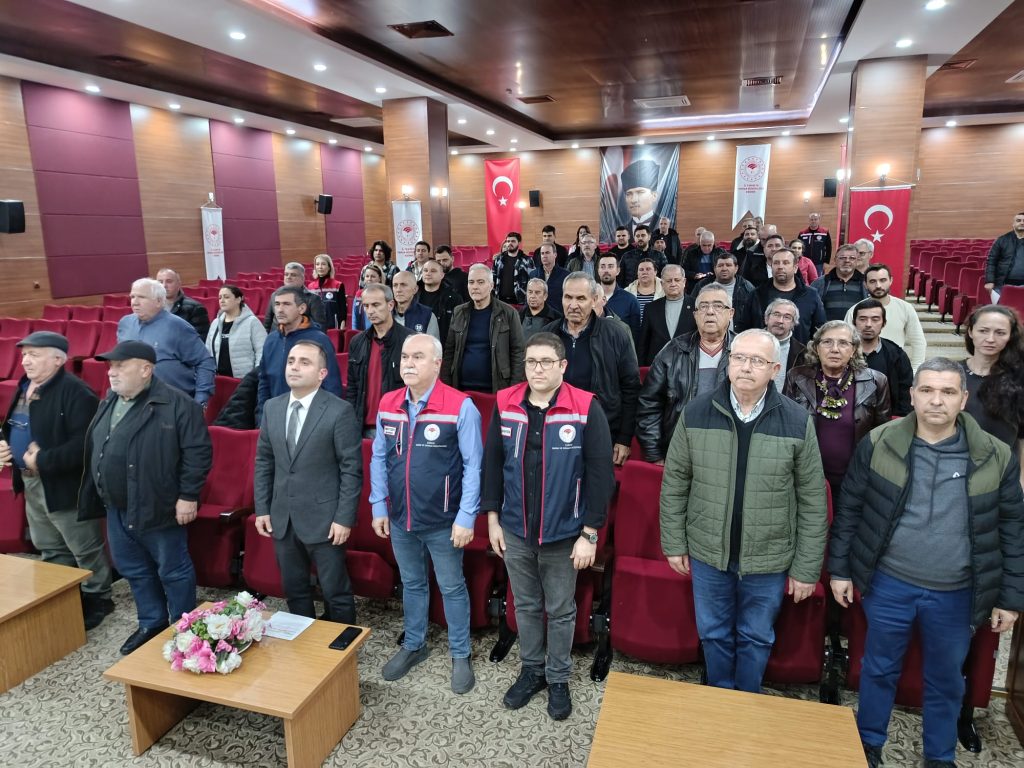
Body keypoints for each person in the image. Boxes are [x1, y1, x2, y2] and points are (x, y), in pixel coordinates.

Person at [829, 357, 1024, 768]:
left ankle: (938, 756)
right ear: (913, 395)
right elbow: (851, 509)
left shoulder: (996, 455)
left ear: (963, 399)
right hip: (889, 584)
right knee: (878, 669)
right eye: (928, 390)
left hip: (957, 593)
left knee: (946, 679)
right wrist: (841, 569)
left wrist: (1010, 598)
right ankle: (868, 744)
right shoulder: (879, 442)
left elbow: (1011, 528)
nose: (937, 400)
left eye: (948, 392)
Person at [660, 328, 828, 693]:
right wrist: (673, 543)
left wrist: (805, 568)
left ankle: (748, 701)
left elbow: (813, 501)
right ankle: (721, 698)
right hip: (708, 553)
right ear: (728, 362)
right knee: (713, 633)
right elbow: (675, 484)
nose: (746, 367)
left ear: (775, 369)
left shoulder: (797, 420)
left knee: (756, 636)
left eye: (757, 360)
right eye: (739, 358)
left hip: (769, 556)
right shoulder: (696, 412)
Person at [483, 332, 614, 720]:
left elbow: (600, 476)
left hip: (564, 533)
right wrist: (492, 519)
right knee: (524, 605)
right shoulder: (505, 402)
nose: (537, 369)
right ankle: (532, 670)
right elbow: (492, 465)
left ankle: (557, 677)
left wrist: (590, 533)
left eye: (545, 362)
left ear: (562, 366)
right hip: (515, 529)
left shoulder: (585, 407)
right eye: (530, 362)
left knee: (560, 610)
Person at [79, 341, 212, 655]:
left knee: (173, 570)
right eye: (110, 366)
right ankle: (151, 622)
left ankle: (184, 629)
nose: (111, 373)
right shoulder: (110, 400)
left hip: (158, 505)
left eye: (120, 366)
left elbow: (198, 454)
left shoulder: (179, 405)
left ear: (145, 369)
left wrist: (188, 495)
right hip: (116, 506)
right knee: (134, 569)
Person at [371, 334, 482, 694]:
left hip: (443, 520)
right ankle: (414, 644)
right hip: (401, 516)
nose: (408, 363)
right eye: (405, 356)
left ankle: (460, 653)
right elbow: (378, 457)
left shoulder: (460, 406)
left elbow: (474, 466)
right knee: (413, 583)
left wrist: (466, 517)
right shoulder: (388, 403)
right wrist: (378, 504)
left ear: (437, 364)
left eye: (418, 356)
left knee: (451, 586)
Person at [0, 332, 111, 629]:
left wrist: (45, 459)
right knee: (48, 545)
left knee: (83, 546)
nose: (26, 360)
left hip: (64, 485)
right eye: (24, 354)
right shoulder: (24, 386)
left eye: (34, 355)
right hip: (30, 481)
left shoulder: (76, 392)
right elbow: (14, 425)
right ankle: (63, 593)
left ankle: (98, 596)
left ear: (58, 359)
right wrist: (5, 444)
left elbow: (86, 444)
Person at [254, 340, 362, 624]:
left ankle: (342, 645)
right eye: (291, 361)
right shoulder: (272, 407)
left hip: (325, 519)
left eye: (305, 362)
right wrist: (262, 508)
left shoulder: (339, 411)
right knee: (294, 589)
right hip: (283, 517)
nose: (295, 367)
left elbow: (351, 470)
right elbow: (264, 462)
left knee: (335, 591)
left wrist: (344, 518)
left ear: (322, 374)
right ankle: (304, 643)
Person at [784, 321, 891, 503]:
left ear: (854, 349)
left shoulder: (876, 381)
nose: (835, 349)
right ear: (816, 348)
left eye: (843, 343)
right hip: (806, 477)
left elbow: (883, 435)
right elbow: (785, 428)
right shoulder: (796, 377)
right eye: (827, 342)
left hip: (855, 479)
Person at [543, 272, 641, 466]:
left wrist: (624, 438)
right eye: (568, 297)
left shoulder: (617, 334)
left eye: (581, 298)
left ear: (594, 300)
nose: (573, 305)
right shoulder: (547, 335)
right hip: (554, 430)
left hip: (602, 431)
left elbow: (631, 388)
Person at [637, 285, 734, 463]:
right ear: (695, 315)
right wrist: (654, 454)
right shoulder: (672, 351)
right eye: (703, 306)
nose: (710, 312)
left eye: (718, 306)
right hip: (680, 450)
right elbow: (649, 405)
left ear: (731, 313)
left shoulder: (744, 352)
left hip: (729, 453)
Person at [117, 278, 216, 406]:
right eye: (132, 297)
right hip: (136, 401)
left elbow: (204, 361)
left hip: (174, 403)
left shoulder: (177, 326)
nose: (134, 302)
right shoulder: (125, 324)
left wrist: (200, 400)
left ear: (159, 301)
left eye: (141, 297)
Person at [957, 306, 1024, 481]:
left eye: (1000, 333)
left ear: (1010, 336)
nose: (990, 339)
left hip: (1004, 474)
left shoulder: (1019, 378)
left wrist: (1021, 481)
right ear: (971, 332)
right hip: (957, 471)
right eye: (983, 331)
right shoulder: (952, 374)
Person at [257, 286, 343, 422]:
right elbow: (264, 382)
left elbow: (331, 385)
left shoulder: (319, 340)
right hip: (275, 419)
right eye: (277, 304)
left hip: (311, 420)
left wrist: (324, 423)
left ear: (302, 308)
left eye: (286, 304)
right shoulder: (271, 340)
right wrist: (262, 418)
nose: (280, 309)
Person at [442, 264, 525, 393]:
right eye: (471, 282)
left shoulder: (509, 313)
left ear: (491, 286)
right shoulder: (458, 312)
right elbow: (449, 351)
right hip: (461, 388)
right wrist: (446, 386)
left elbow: (518, 352)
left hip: (497, 389)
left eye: (480, 282)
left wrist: (513, 390)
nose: (475, 286)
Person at [345, 284, 413, 437]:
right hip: (363, 427)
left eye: (376, 305)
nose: (370, 311)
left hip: (399, 425)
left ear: (390, 305)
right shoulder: (357, 342)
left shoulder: (410, 340)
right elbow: (352, 387)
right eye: (366, 306)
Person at [845, 264, 927, 371]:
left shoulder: (905, 308)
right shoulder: (854, 311)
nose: (878, 285)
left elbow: (918, 342)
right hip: (862, 368)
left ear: (890, 280)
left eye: (883, 280)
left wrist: (915, 371)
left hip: (895, 367)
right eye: (872, 281)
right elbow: (846, 342)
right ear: (865, 284)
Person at [852, 299, 913, 417]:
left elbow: (906, 392)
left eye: (875, 319)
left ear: (884, 323)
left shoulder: (896, 354)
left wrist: (898, 420)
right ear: (854, 322)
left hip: (887, 419)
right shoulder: (842, 352)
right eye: (862, 319)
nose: (868, 324)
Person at [755, 245, 826, 343]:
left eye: (786, 263)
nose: (780, 267)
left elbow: (820, 330)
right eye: (776, 263)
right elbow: (745, 327)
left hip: (800, 351)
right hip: (762, 349)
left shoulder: (811, 295)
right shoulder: (757, 294)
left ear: (795, 267)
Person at [637, 264, 696, 367]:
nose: (673, 284)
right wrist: (641, 369)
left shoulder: (697, 305)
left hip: (688, 365)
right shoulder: (650, 308)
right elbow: (643, 343)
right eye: (669, 281)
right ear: (662, 283)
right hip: (657, 366)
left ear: (684, 282)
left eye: (677, 280)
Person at [689, 252, 761, 334]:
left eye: (728, 265)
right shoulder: (702, 286)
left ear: (736, 268)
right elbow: (691, 311)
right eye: (720, 265)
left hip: (739, 336)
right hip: (706, 335)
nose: (724, 268)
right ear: (714, 268)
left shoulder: (747, 288)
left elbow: (756, 317)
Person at [205, 284, 266, 379]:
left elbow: (262, 352)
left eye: (226, 297)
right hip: (219, 379)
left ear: (238, 299)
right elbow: (208, 351)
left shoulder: (252, 322)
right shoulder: (215, 323)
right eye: (220, 297)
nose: (222, 300)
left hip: (245, 380)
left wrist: (255, 377)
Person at [262, 263, 327, 330]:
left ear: (302, 278)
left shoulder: (313, 299)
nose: (288, 277)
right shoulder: (275, 295)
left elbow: (320, 327)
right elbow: (267, 323)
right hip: (277, 335)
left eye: (293, 275)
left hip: (302, 335)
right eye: (286, 274)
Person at [811, 244, 868, 321]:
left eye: (852, 258)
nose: (847, 261)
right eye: (842, 258)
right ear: (835, 260)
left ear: (857, 261)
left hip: (855, 328)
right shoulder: (819, 283)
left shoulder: (866, 283)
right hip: (827, 328)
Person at [597, 254, 642, 346]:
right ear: (598, 271)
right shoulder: (589, 299)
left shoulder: (630, 300)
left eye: (610, 266)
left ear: (618, 271)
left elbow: (635, 335)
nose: (606, 270)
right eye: (603, 266)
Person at [156, 268, 210, 339]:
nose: (164, 285)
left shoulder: (195, 308)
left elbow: (199, 339)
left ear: (178, 284)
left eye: (169, 281)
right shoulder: (152, 307)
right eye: (160, 282)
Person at [764, 299, 805, 392]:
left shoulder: (802, 353)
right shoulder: (749, 344)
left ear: (793, 324)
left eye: (787, 317)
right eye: (776, 314)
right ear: (766, 319)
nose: (780, 321)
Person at [416, 259, 460, 342]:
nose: (428, 273)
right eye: (425, 270)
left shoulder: (453, 298)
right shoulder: (413, 295)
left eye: (433, 271)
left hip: (443, 345)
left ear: (442, 275)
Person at [984, 212, 1024, 303]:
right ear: (1013, 224)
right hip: (1003, 285)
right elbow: (991, 261)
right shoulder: (1002, 240)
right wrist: (989, 281)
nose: (1022, 223)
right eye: (1018, 220)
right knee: (1004, 310)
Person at [392, 271, 439, 339]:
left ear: (415, 289)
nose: (398, 290)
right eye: (395, 285)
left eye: (403, 285)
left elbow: (433, 344)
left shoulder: (428, 315)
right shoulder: (385, 313)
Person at [621, 158, 661, 237]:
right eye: (629, 194)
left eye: (640, 192)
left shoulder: (668, 228)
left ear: (654, 196)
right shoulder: (617, 233)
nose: (633, 200)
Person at [307, 253, 347, 331]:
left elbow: (343, 307)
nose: (320, 267)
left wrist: (342, 324)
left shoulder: (338, 285)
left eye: (323, 264)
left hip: (333, 325)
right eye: (317, 264)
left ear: (329, 267)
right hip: (316, 327)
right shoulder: (310, 287)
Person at [492, 232, 533, 305]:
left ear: (519, 243)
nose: (510, 243)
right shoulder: (498, 260)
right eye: (508, 241)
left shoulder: (527, 260)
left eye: (513, 241)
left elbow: (532, 280)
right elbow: (493, 278)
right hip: (501, 301)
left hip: (520, 301)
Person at [530, 242, 571, 312]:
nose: (544, 256)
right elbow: (528, 297)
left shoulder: (566, 275)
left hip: (557, 315)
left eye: (547, 253)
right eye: (542, 253)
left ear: (555, 255)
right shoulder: (533, 274)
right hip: (538, 315)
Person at [351, 263, 385, 332]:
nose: (369, 279)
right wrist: (355, 333)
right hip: (361, 334)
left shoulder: (384, 294)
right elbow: (354, 319)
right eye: (367, 276)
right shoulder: (358, 294)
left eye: (373, 276)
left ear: (379, 278)